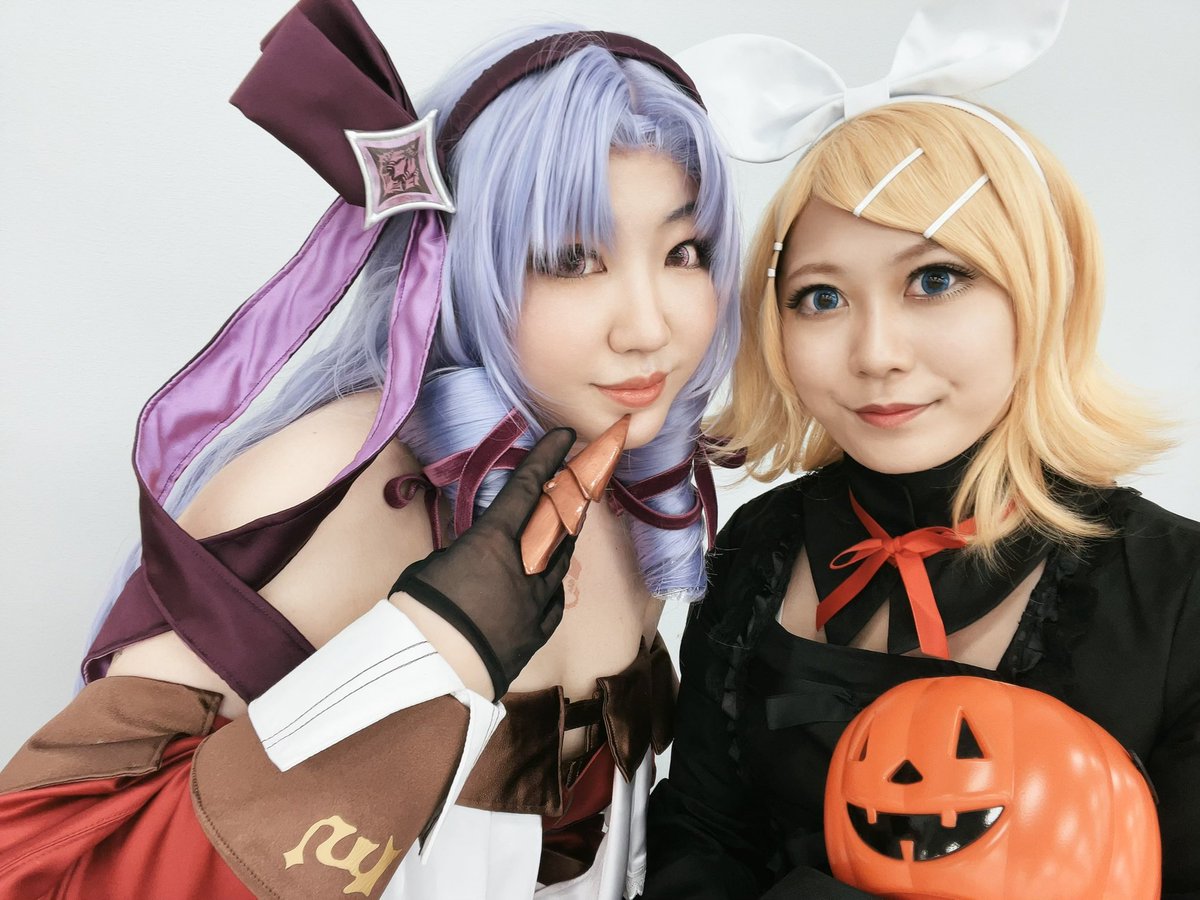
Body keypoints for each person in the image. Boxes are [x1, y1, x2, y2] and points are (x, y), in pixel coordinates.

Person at [0, 1, 739, 897]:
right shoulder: (320, 488)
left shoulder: (627, 477)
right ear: (461, 260)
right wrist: (435, 644)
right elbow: (47, 863)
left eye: (684, 251)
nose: (650, 328)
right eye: (572, 259)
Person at [644, 2, 1200, 897]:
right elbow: (699, 842)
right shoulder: (759, 547)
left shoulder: (1179, 592)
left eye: (935, 280)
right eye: (822, 298)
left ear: (1042, 292)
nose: (876, 354)